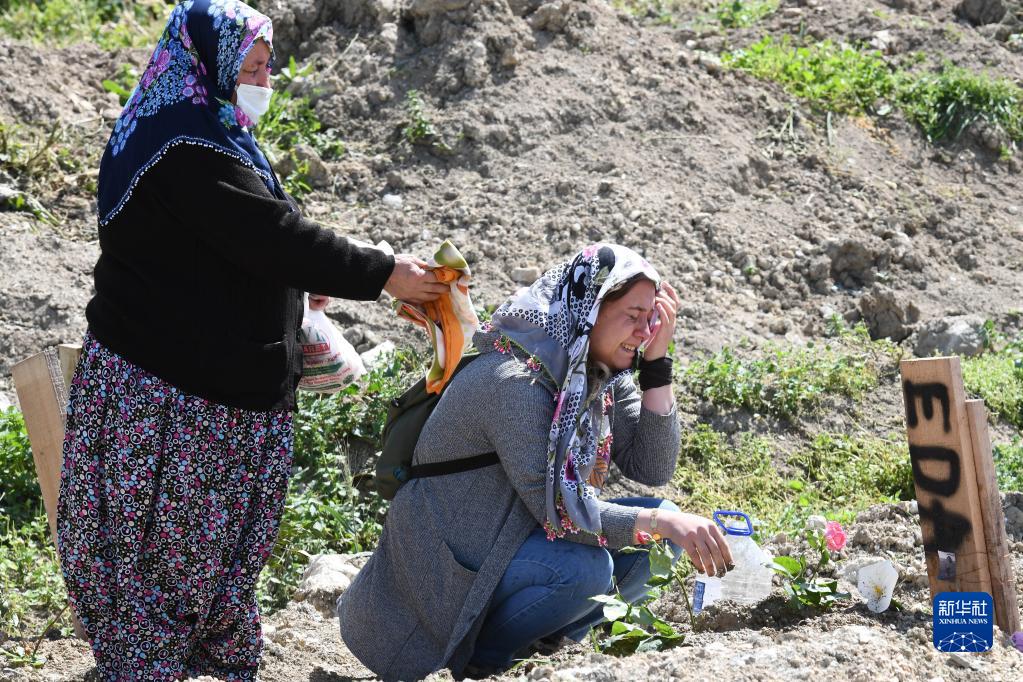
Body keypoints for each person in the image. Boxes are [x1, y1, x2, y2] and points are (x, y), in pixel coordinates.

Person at [55, 2, 444, 680]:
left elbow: (228, 248)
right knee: (167, 560)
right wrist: (382, 275)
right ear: (208, 63)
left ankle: (195, 661)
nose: (263, 80)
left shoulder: (212, 131)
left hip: (218, 399)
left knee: (211, 564)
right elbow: (267, 235)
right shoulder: (182, 144)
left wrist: (296, 287)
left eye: (267, 67)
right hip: (173, 403)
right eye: (251, 67)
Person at [338, 243, 734, 680]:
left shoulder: (596, 371)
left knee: (662, 531)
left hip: (515, 546)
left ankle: (540, 651)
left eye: (651, 318)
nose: (644, 331)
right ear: (589, 310)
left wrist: (657, 363)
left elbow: (652, 467)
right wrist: (657, 523)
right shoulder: (516, 380)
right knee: (587, 567)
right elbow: (562, 513)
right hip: (444, 574)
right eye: (632, 316)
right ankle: (480, 666)